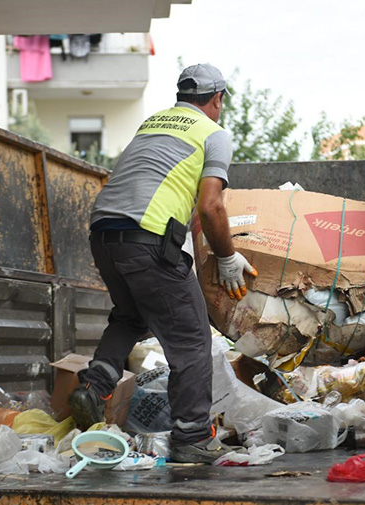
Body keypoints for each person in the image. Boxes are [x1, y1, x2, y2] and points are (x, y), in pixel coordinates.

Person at [69, 63, 256, 464]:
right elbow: (211, 206)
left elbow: (184, 206)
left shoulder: (153, 124)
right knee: (191, 339)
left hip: (104, 232)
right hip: (148, 238)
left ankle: (95, 385)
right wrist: (226, 257)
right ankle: (191, 438)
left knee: (130, 315)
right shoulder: (212, 133)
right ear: (217, 99)